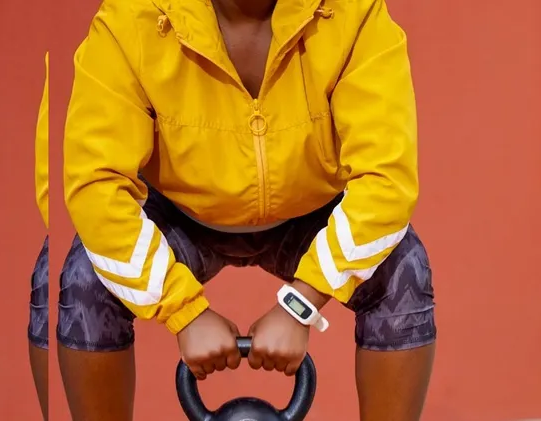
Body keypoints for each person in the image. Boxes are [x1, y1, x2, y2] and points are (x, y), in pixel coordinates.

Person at [59, 0, 436, 420]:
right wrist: (183, 312)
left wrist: (301, 304)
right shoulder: (130, 18)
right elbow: (97, 185)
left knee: (404, 270)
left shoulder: (355, 12)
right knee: (85, 280)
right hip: (182, 213)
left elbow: (386, 179)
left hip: (308, 211)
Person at [28, 51, 49, 420]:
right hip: (169, 198)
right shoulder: (119, 30)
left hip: (280, 212)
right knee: (66, 279)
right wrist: (186, 315)